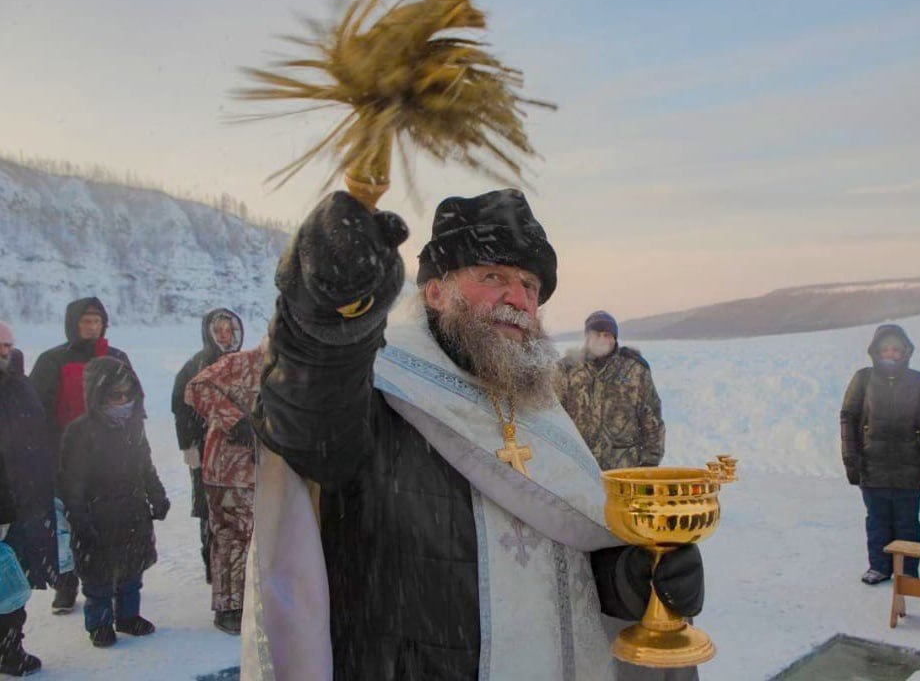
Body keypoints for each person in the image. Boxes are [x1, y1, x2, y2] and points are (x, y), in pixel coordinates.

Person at [243, 189, 705, 680]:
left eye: (530, 286)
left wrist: (633, 581)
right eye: (493, 277)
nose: (518, 299)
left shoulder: (541, 406)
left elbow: (573, 547)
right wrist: (322, 319)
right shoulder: (376, 385)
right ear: (436, 292)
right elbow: (305, 423)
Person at [28, 297, 133, 613]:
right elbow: (35, 412)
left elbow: (133, 405)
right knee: (67, 526)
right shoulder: (53, 361)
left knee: (109, 521)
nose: (91, 326)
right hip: (66, 459)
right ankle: (66, 583)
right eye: (85, 321)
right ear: (73, 323)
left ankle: (108, 580)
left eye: (97, 321)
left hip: (110, 459)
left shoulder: (117, 358)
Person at [57, 357, 169, 648]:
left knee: (132, 571)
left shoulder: (133, 427)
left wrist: (156, 495)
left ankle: (128, 617)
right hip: (98, 514)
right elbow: (72, 484)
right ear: (98, 395)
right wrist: (80, 521)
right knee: (98, 579)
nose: (123, 401)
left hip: (132, 511)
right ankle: (100, 623)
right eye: (114, 395)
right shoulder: (80, 432)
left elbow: (146, 465)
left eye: (127, 394)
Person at [840, 324, 920, 585]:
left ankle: (907, 571)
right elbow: (848, 420)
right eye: (885, 348)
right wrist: (851, 460)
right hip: (872, 465)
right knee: (877, 522)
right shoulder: (863, 379)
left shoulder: (918, 381)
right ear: (875, 351)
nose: (890, 353)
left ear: (906, 352)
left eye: (896, 349)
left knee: (908, 523)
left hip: (911, 467)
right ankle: (880, 566)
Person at [185, 336, 262, 635]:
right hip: (228, 471)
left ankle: (252, 601)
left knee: (259, 539)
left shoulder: (296, 369)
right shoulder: (240, 362)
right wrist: (235, 421)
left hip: (266, 471)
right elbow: (196, 389)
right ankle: (229, 608)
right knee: (232, 539)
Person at [171, 309, 244, 586]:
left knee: (239, 509)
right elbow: (180, 405)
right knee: (210, 509)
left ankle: (239, 566)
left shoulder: (244, 362)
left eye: (229, 330)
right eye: (220, 331)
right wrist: (188, 446)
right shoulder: (196, 365)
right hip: (206, 449)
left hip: (240, 451)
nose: (225, 336)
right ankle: (213, 565)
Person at [0, 321, 56, 676]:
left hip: (24, 498)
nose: (5, 353)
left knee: (12, 582)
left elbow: (34, 436)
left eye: (7, 346)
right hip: (7, 500)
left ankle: (10, 647)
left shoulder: (17, 385)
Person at [557, 310, 666, 470]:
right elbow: (555, 416)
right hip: (578, 467)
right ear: (587, 337)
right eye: (596, 334)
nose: (601, 339)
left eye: (607, 335)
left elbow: (651, 416)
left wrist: (650, 463)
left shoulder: (634, 369)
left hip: (624, 467)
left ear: (614, 339)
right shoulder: (567, 369)